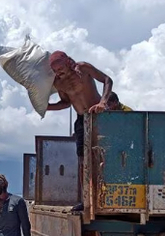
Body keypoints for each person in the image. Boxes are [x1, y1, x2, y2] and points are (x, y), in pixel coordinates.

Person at [46, 51, 114, 211]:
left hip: (99, 116)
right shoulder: (59, 83)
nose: (59, 73)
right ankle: (86, 200)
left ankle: (109, 195)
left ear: (68, 62)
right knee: (83, 161)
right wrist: (47, 107)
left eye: (60, 69)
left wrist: (103, 102)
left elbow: (107, 80)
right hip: (81, 119)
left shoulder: (83, 68)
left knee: (105, 156)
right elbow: (65, 103)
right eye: (55, 71)